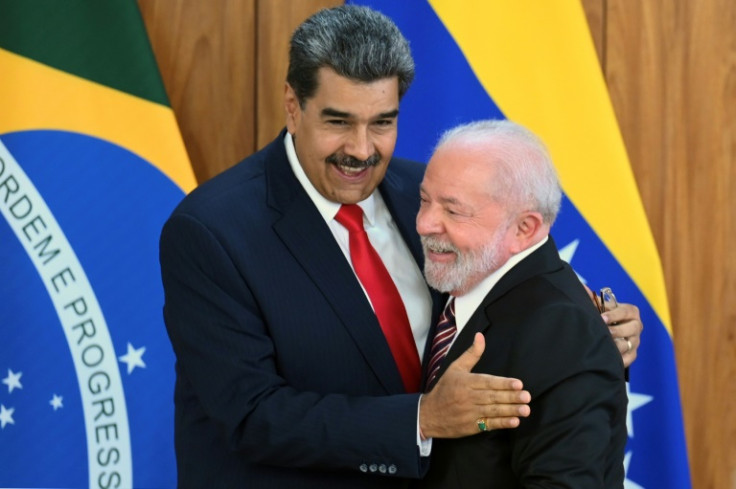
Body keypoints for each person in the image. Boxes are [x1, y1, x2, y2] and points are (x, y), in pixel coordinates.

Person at [159, 5, 640, 488]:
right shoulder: (211, 231)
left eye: (382, 123)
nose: (362, 150)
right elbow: (251, 415)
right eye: (339, 122)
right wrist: (421, 420)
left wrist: (589, 328)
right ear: (292, 105)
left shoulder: (426, 193)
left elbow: (520, 278)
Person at [414, 119, 628, 488]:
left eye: (453, 211)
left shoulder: (561, 332)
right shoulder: (463, 278)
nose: (424, 223)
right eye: (424, 200)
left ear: (524, 229)